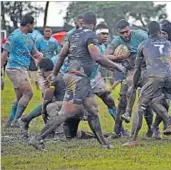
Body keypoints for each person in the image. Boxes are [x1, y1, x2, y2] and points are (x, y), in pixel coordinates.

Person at [29, 12, 125, 150]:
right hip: (78, 78)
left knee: (92, 110)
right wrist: (117, 66)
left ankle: (104, 143)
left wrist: (55, 73)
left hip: (74, 77)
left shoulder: (73, 34)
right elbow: (97, 56)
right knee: (65, 113)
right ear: (94, 23)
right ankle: (38, 138)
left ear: (82, 22)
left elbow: (62, 55)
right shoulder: (91, 35)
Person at [123, 21, 171, 147]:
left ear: (148, 32)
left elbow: (138, 69)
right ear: (158, 32)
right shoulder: (168, 43)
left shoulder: (144, 44)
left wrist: (134, 85)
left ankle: (134, 138)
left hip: (154, 77)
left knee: (143, 106)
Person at [105, 19, 150, 138]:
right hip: (130, 71)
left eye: (126, 31)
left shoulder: (141, 35)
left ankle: (152, 130)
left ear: (129, 28)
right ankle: (116, 131)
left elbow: (152, 49)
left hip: (145, 70)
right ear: (118, 33)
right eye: (122, 33)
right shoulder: (117, 41)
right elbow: (106, 55)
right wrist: (118, 57)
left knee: (148, 101)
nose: (125, 35)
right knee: (122, 100)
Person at [1, 14, 43, 128]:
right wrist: (0, 71)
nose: (34, 27)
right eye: (33, 24)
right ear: (29, 25)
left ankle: (10, 122)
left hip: (22, 69)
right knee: (29, 93)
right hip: (15, 68)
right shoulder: (14, 36)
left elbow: (35, 53)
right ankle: (16, 121)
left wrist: (39, 56)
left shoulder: (29, 37)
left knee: (20, 96)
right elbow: (4, 53)